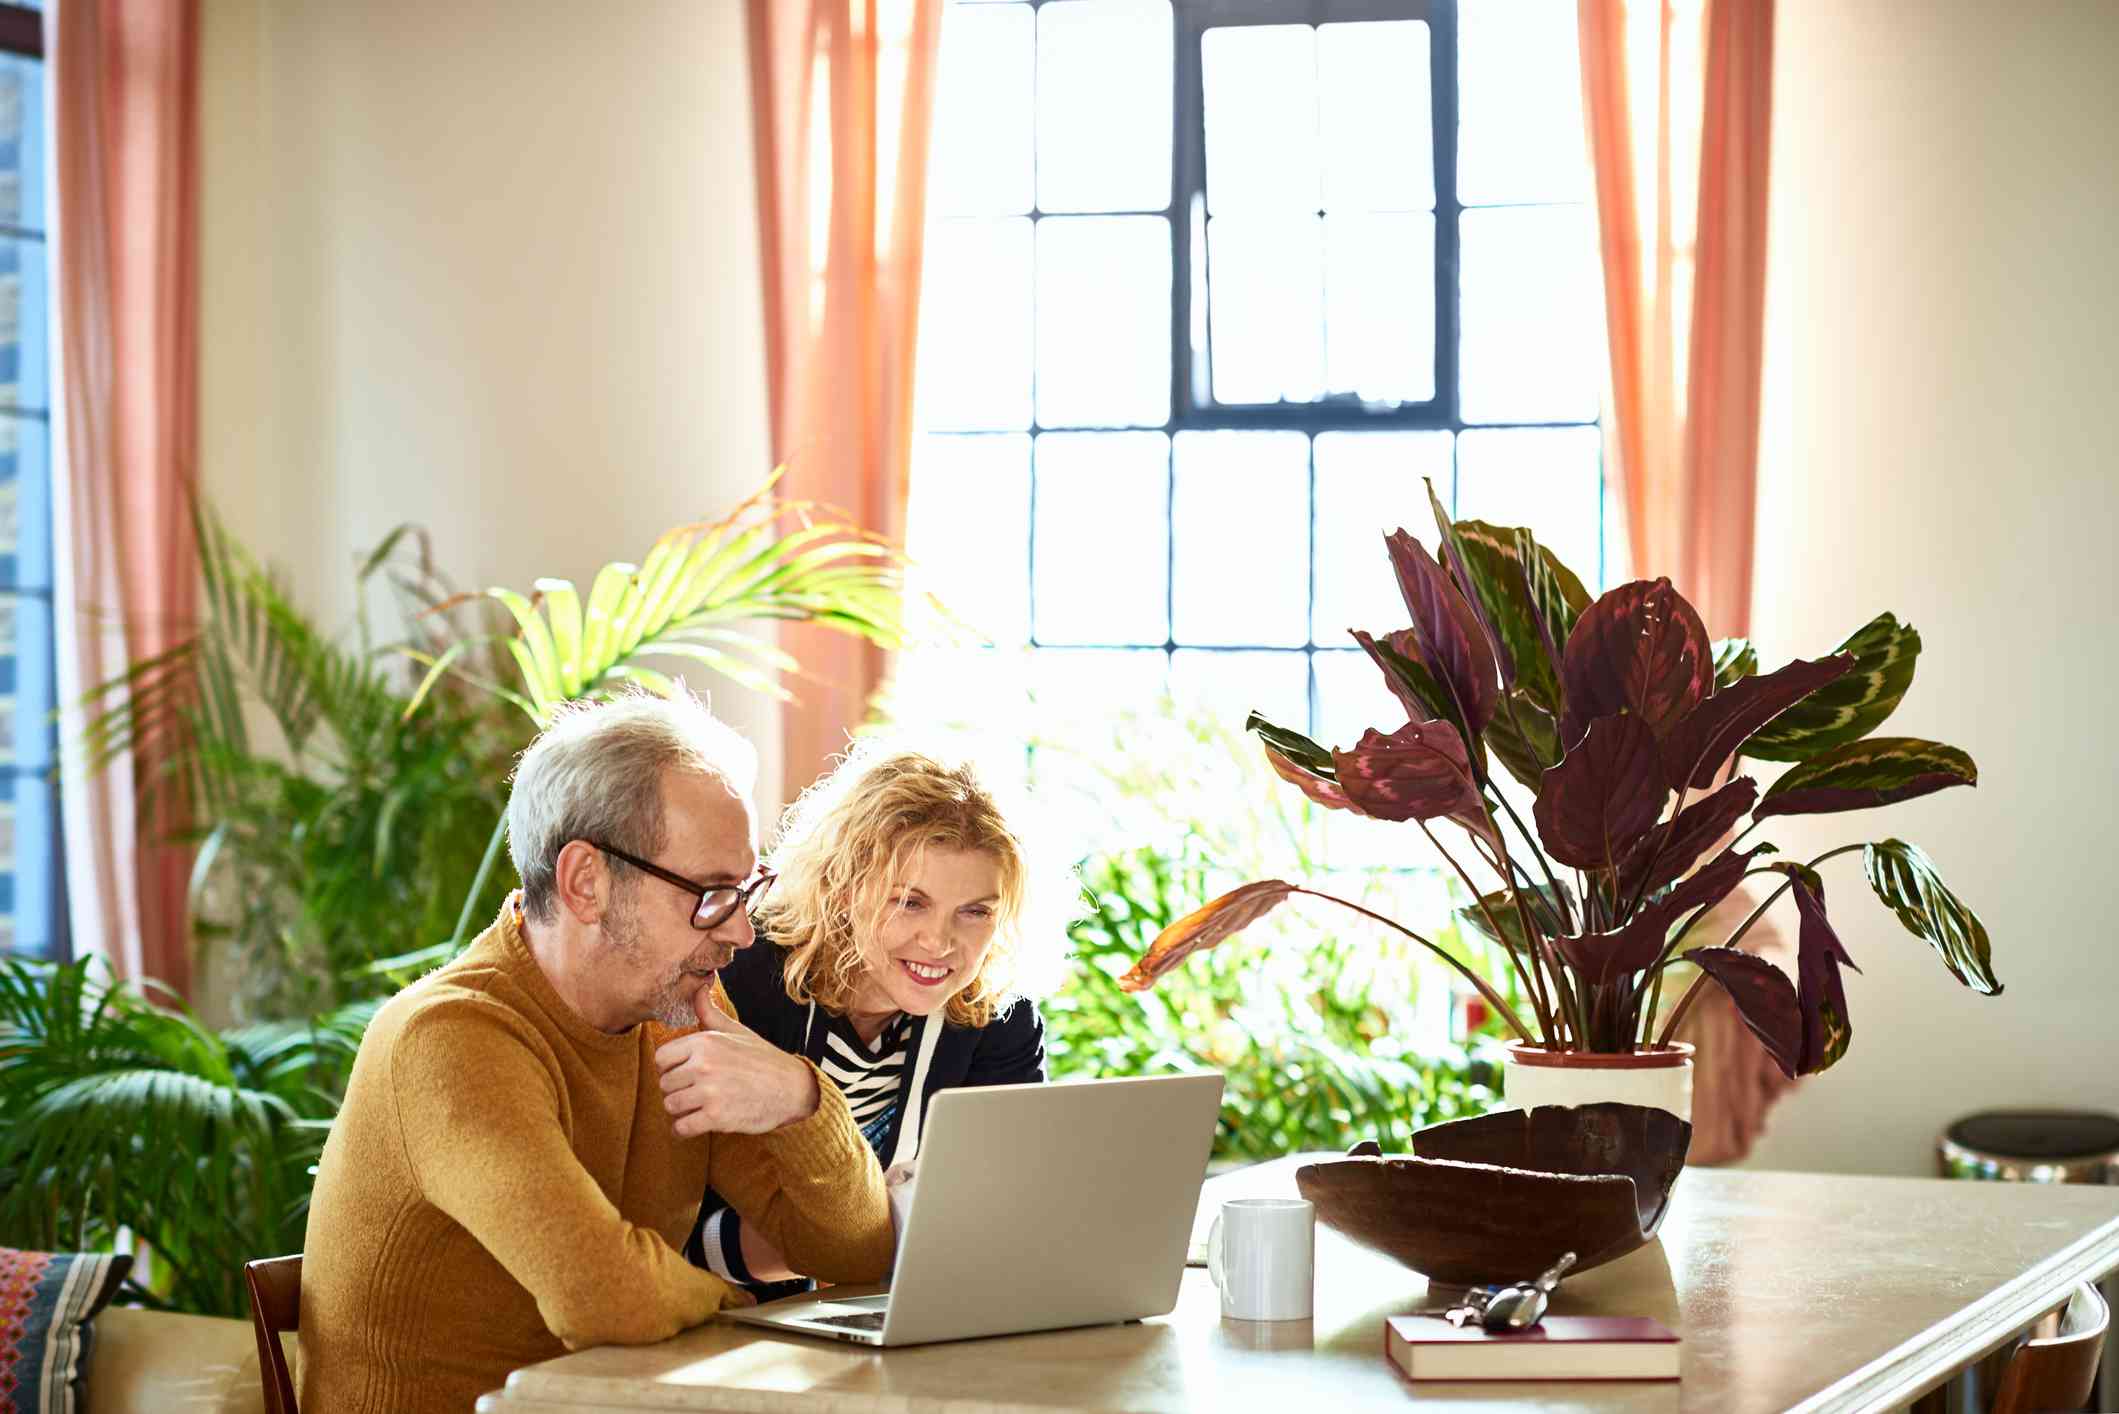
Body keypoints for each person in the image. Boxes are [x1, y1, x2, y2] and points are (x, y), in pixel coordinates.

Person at [299, 691, 895, 1414]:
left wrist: (801, 1100)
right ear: (586, 881)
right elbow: (604, 1298)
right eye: (710, 893)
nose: (741, 932)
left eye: (745, 890)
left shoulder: (677, 1016)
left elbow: (857, 1256)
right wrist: (739, 1302)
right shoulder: (451, 1036)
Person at [687, 742, 1056, 1291]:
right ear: (841, 886)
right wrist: (872, 1244)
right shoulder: (740, 981)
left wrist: (873, 1242)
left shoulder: (997, 1017)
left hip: (894, 1312)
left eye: (975, 911)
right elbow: (683, 1234)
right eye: (909, 901)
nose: (939, 942)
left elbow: (1001, 1213)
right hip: (732, 1324)